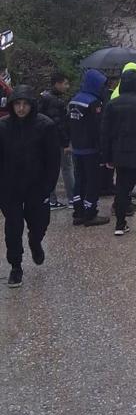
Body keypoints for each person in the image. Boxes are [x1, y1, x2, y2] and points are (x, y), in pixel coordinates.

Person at [0, 86, 61, 287]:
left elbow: (53, 160)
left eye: (25, 104)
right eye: (17, 104)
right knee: (13, 229)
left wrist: (48, 186)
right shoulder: (3, 127)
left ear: (31, 105)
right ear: (12, 105)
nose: (21, 108)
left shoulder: (45, 126)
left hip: (37, 186)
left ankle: (35, 243)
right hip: (10, 187)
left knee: (39, 223)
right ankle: (16, 266)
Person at [101, 66, 136, 235]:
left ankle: (120, 224)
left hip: (120, 154)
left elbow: (105, 133)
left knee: (122, 189)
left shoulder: (111, 104)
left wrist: (107, 157)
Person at [68, 68, 110, 226]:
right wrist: (102, 149)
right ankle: (90, 213)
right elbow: (97, 127)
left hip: (77, 148)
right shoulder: (94, 103)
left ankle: (78, 212)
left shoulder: (74, 100)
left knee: (79, 180)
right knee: (93, 181)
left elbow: (69, 124)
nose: (103, 88)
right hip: (91, 149)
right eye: (102, 85)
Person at [39, 71, 73, 210]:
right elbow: (58, 123)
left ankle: (51, 200)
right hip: (57, 141)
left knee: (49, 169)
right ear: (57, 84)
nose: (67, 86)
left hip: (46, 140)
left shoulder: (44, 97)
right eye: (65, 83)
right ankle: (73, 198)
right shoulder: (55, 101)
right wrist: (66, 143)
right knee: (67, 168)